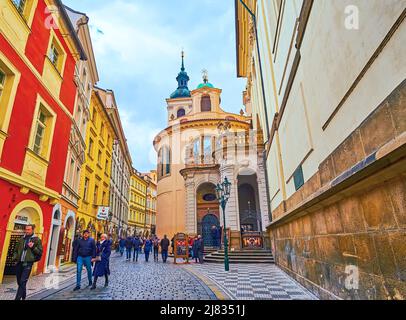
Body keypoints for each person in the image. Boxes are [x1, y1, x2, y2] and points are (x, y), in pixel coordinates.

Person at [13, 224, 43, 300]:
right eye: (26, 229)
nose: (27, 231)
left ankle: (17, 298)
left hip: (28, 263)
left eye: (28, 229)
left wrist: (33, 247)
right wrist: (15, 258)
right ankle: (24, 296)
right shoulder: (21, 239)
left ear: (32, 230)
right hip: (20, 262)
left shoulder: (36, 240)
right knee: (19, 282)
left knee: (23, 281)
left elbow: (40, 252)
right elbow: (15, 250)